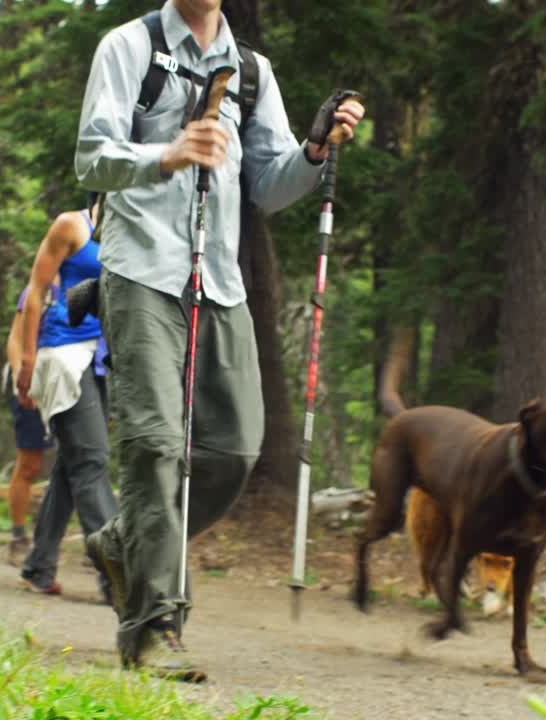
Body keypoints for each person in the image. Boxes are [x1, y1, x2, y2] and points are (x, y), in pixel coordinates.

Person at [75, 0, 364, 676]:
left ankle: (123, 543)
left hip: (219, 282)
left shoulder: (252, 72)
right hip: (142, 268)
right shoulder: (128, 47)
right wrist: (166, 154)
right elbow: (92, 159)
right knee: (154, 445)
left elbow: (268, 185)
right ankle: (153, 628)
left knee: (235, 450)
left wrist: (314, 151)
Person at [14, 194, 117, 598]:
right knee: (92, 460)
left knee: (71, 467)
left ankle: (39, 566)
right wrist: (26, 359)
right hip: (64, 354)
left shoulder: (138, 229)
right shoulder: (72, 226)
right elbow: (36, 291)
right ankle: (118, 575)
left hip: (104, 359)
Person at [1, 283, 56, 567]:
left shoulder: (87, 282)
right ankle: (19, 536)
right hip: (32, 384)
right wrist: (21, 379)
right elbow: (15, 339)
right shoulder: (41, 287)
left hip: (67, 382)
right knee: (30, 464)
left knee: (76, 466)